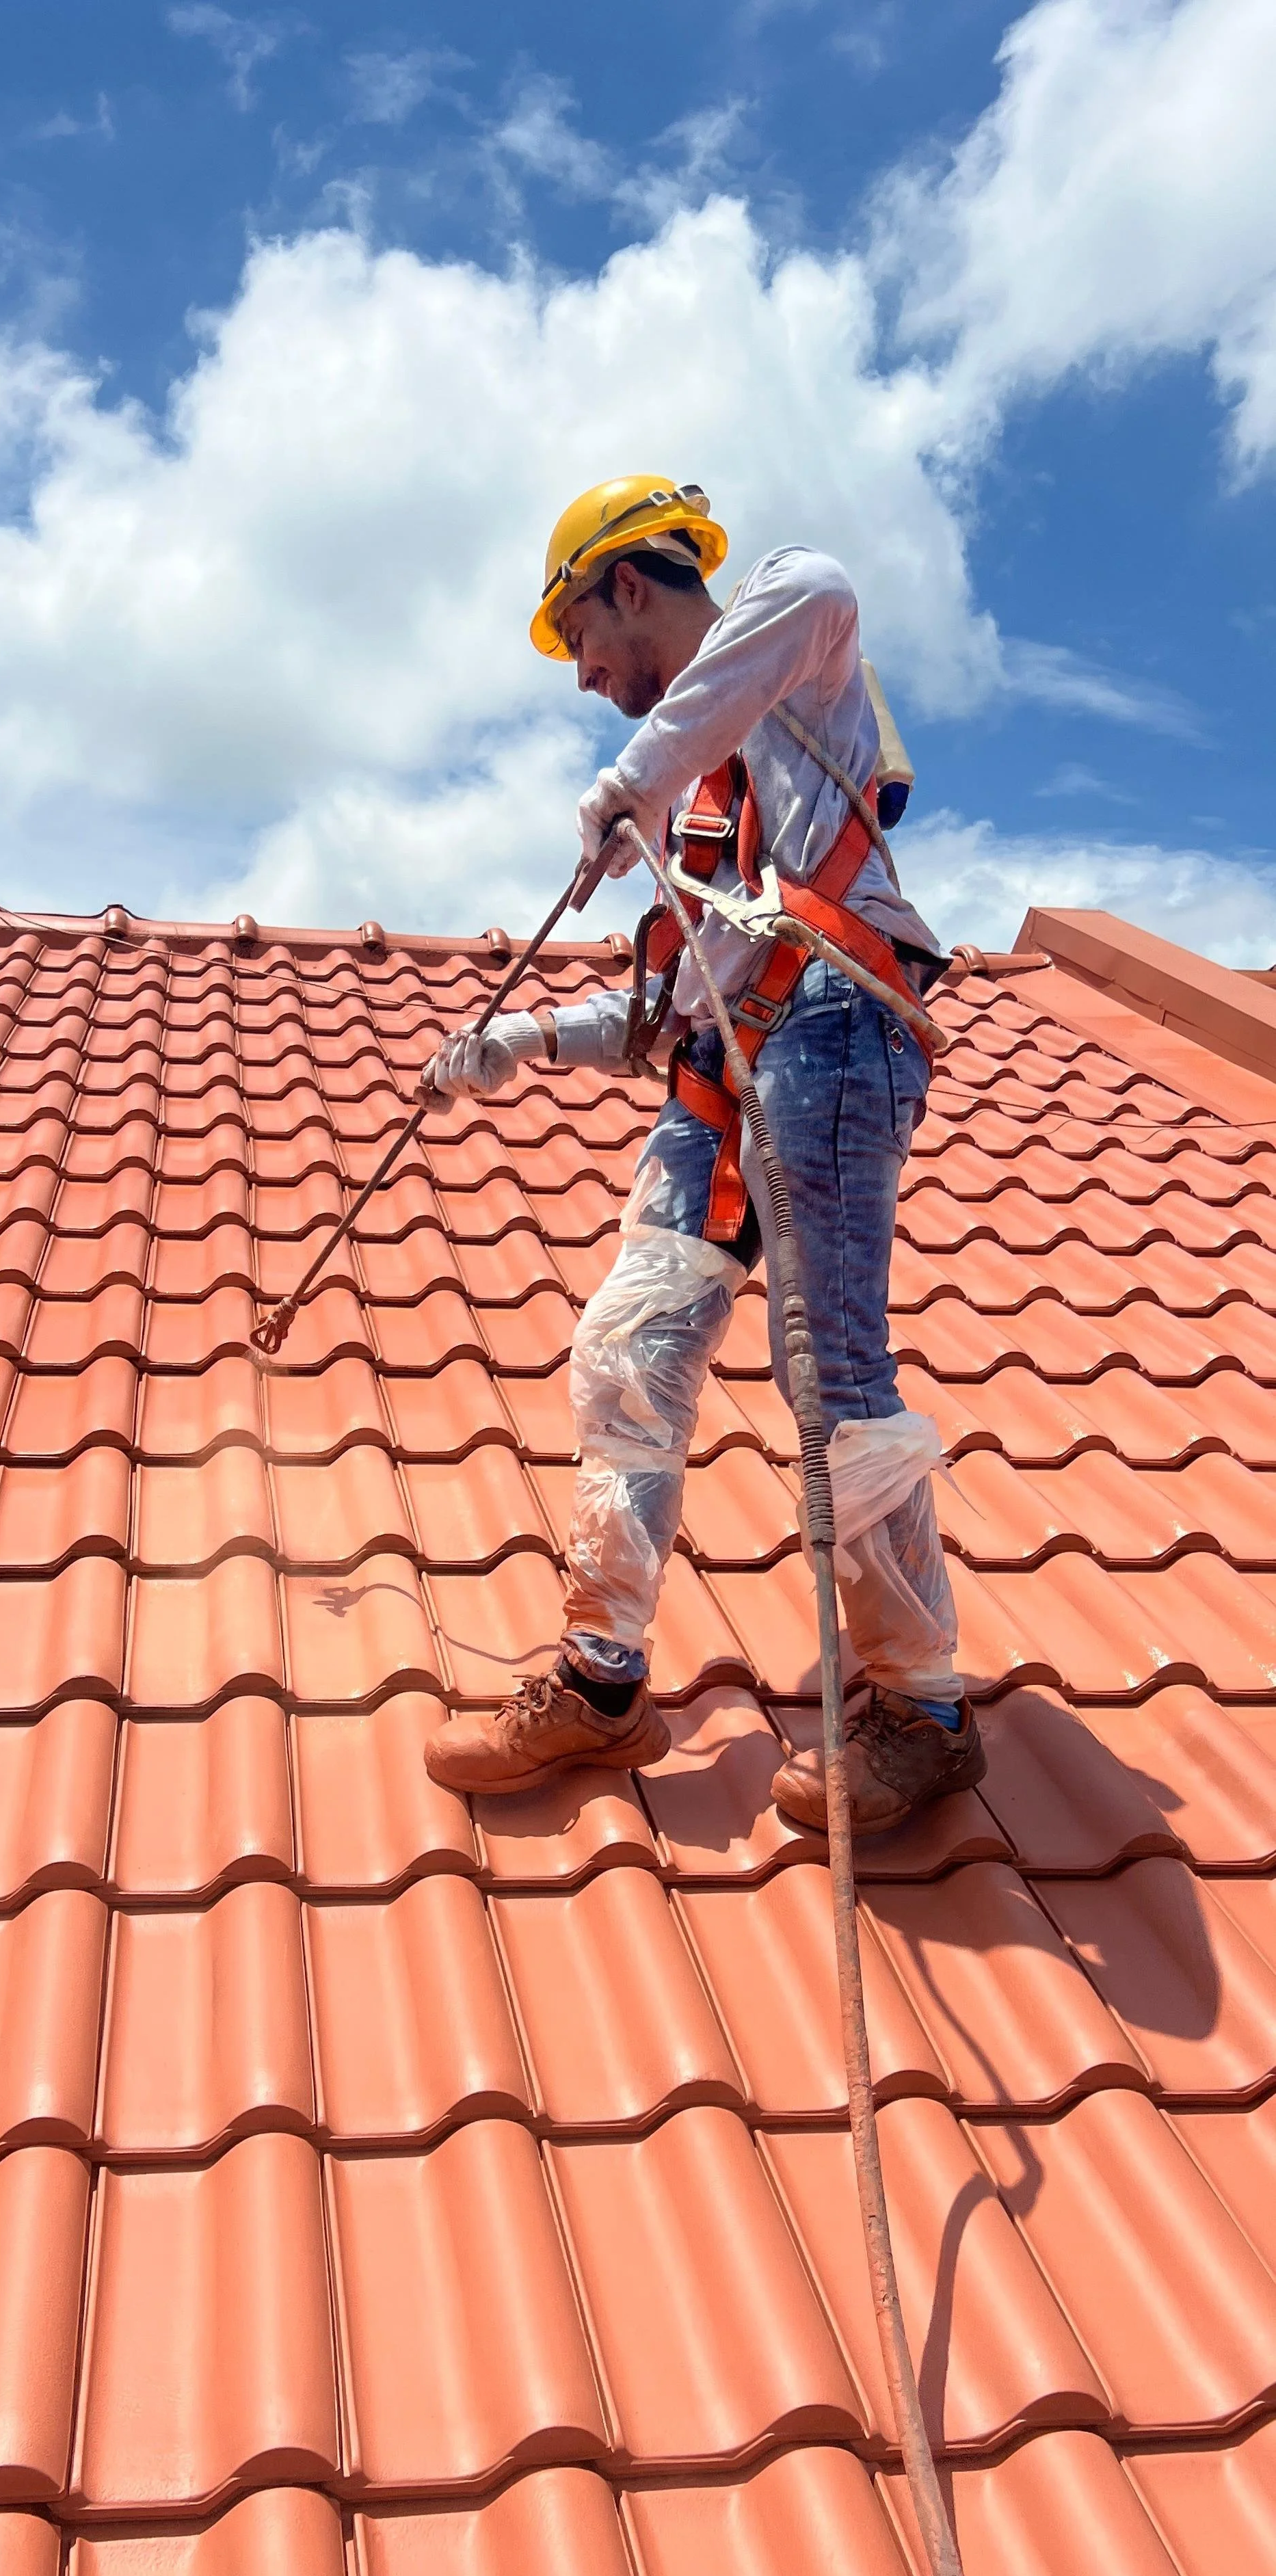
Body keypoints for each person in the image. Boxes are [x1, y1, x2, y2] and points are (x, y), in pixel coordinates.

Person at [421, 475, 986, 1835]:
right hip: (726, 1082)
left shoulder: (791, 649)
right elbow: (664, 1018)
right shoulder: (684, 820)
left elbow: (825, 589)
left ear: (628, 585)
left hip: (841, 1034)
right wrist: (521, 1044)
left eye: (583, 643)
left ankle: (922, 1707)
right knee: (626, 1348)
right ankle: (604, 1684)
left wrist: (632, 777)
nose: (584, 680)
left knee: (829, 1370)